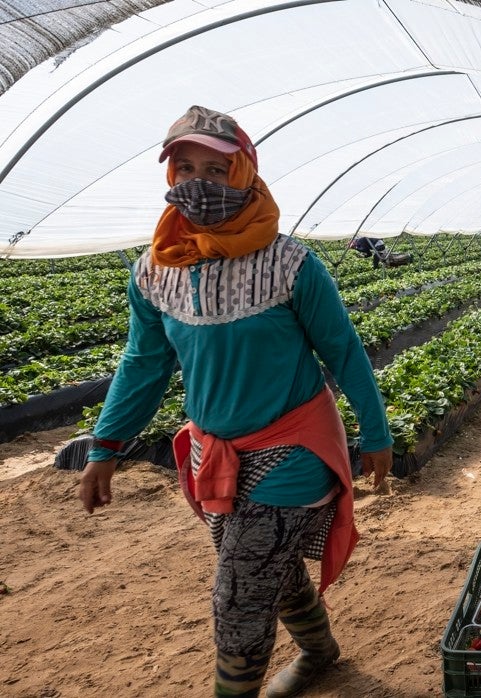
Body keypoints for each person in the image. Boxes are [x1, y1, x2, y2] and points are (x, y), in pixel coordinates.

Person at [76, 105, 394, 698]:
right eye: (187, 167)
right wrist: (107, 445)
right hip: (212, 452)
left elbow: (344, 352)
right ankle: (320, 652)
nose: (201, 184)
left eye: (218, 170)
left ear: (246, 171)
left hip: (292, 445)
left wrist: (375, 434)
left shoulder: (289, 265)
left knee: (239, 594)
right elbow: (143, 363)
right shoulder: (156, 270)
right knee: (261, 562)